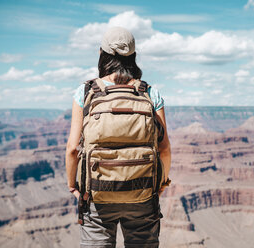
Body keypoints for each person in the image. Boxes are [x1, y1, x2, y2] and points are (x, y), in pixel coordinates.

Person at [65, 27, 171, 248]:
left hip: (97, 195)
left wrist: (73, 187)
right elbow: (164, 148)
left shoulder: (86, 92)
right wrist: (160, 184)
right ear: (133, 56)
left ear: (101, 53)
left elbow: (73, 149)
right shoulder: (149, 93)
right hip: (143, 194)